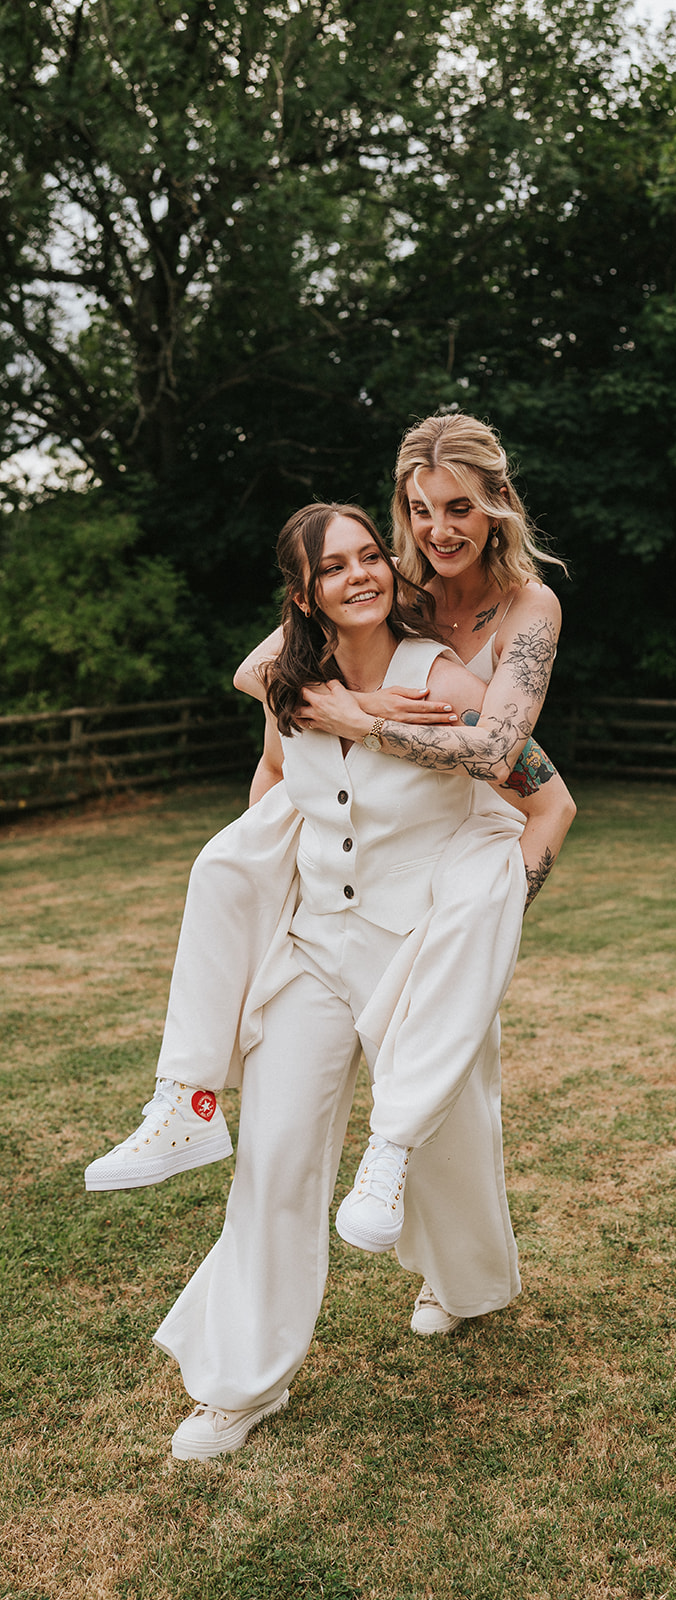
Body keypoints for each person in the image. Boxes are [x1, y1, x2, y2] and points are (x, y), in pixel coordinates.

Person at [85, 415, 574, 1225]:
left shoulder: (529, 607)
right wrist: (354, 701)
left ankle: (455, 1275)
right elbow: (255, 670)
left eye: (457, 507)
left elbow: (499, 754)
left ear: (497, 503)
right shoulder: (389, 584)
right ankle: (185, 1097)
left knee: (457, 1100)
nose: (437, 528)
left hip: (462, 849)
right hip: (365, 847)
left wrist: (366, 725)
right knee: (223, 868)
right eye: (419, 509)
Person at [156, 499, 555, 1460]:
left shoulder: (450, 674)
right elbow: (272, 784)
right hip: (313, 949)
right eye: (336, 567)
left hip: (420, 948)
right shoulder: (293, 680)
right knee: (277, 1155)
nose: (361, 574)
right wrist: (266, 908)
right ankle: (239, 1383)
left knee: (452, 1140)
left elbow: (539, 788)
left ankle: (464, 1286)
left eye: (371, 556)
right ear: (306, 592)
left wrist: (497, 918)